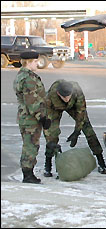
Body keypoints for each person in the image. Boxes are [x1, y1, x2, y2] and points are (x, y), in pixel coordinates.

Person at [43, 79, 106, 177]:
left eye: (68, 96)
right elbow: (47, 121)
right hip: (54, 109)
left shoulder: (77, 91)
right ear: (58, 93)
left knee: (88, 130)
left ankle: (101, 162)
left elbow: (81, 113)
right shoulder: (49, 97)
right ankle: (48, 165)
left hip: (74, 107)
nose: (67, 99)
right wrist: (50, 140)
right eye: (64, 97)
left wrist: (77, 131)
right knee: (52, 135)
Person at [13, 51, 51, 184]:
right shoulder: (28, 78)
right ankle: (28, 175)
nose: (37, 63)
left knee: (29, 145)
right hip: (30, 119)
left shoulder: (22, 75)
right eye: (35, 61)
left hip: (25, 117)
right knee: (30, 146)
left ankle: (28, 173)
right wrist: (42, 118)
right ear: (29, 62)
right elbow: (32, 101)